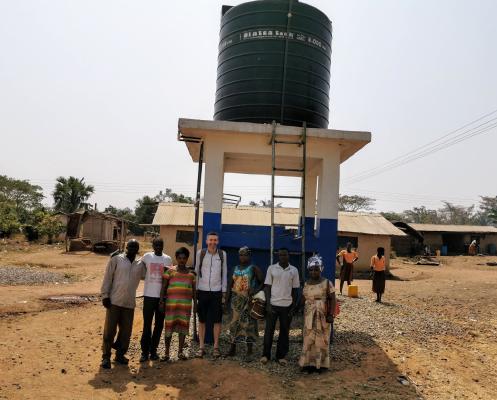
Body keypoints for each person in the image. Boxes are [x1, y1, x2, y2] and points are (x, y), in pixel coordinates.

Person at [100, 239, 144, 369]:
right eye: (130, 246)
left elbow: (150, 275)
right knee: (109, 330)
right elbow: (108, 277)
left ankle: (120, 355)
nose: (132, 249)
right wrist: (105, 295)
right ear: (126, 248)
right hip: (114, 301)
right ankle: (106, 357)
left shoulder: (140, 264)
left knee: (126, 332)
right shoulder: (116, 260)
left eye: (135, 247)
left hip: (129, 303)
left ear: (137, 249)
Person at [261, 248, 300, 365]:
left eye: (285, 255)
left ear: (289, 256)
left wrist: (293, 307)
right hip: (273, 305)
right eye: (281, 255)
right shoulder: (271, 268)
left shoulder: (293, 270)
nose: (283, 257)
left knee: (284, 332)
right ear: (278, 256)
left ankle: (281, 356)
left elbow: (295, 290)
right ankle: (265, 355)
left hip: (287, 306)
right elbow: (267, 287)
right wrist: (267, 304)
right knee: (268, 331)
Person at [299, 256, 336, 372]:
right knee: (308, 339)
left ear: (321, 269)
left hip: (322, 315)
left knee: (322, 339)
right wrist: (297, 309)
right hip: (309, 316)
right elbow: (303, 298)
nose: (313, 272)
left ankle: (321, 365)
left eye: (316, 269)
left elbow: (333, 299)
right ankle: (308, 364)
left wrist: (331, 314)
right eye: (311, 269)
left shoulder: (327, 283)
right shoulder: (307, 284)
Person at [139, 237, 173, 362]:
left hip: (162, 298)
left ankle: (153, 351)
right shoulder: (147, 256)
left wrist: (165, 298)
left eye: (160, 245)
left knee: (159, 326)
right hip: (148, 296)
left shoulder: (167, 259)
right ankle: (144, 352)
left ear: (163, 245)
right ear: (153, 246)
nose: (158, 247)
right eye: (156, 245)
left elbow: (169, 278)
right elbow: (139, 266)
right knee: (147, 325)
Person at [226, 246, 264, 357]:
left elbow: (263, 282)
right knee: (234, 324)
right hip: (235, 301)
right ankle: (232, 348)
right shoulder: (234, 268)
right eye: (241, 254)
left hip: (248, 301)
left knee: (249, 325)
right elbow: (229, 286)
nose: (243, 257)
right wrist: (226, 302)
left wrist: (255, 291)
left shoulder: (253, 268)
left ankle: (249, 351)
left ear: (249, 255)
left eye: (245, 254)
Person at [194, 231, 228, 358]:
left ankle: (216, 347)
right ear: (206, 241)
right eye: (210, 240)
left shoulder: (222, 254)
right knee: (202, 320)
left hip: (216, 292)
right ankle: (201, 347)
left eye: (215, 240)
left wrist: (223, 292)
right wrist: (196, 290)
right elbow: (197, 271)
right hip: (202, 291)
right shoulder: (201, 253)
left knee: (217, 321)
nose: (213, 242)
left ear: (218, 242)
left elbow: (224, 273)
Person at [159, 247, 196, 361]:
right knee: (169, 328)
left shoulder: (191, 275)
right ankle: (166, 353)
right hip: (171, 306)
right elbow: (163, 288)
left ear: (187, 259)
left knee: (183, 328)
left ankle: (180, 352)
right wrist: (161, 301)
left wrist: (196, 304)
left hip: (185, 307)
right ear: (176, 258)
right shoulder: (170, 271)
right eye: (179, 258)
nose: (182, 260)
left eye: (184, 258)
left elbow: (194, 292)